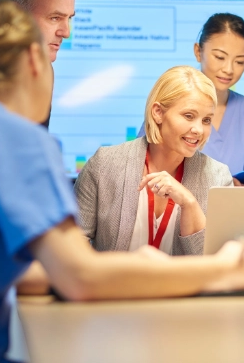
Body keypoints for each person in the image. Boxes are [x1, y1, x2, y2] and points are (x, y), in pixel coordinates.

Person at [0, 0, 244, 363]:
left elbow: (17, 272)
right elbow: (78, 277)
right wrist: (218, 271)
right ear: (34, 61)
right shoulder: (14, 140)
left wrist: (129, 268)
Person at [75, 65, 235, 254]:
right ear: (158, 112)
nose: (199, 130)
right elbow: (72, 247)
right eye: (189, 116)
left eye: (206, 120)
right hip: (115, 284)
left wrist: (189, 204)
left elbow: (218, 265)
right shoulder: (105, 164)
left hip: (183, 285)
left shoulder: (219, 178)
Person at [139, 13, 244, 185]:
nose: (228, 69)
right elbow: (142, 170)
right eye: (219, 57)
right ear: (198, 51)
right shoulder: (169, 103)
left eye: (239, 61)